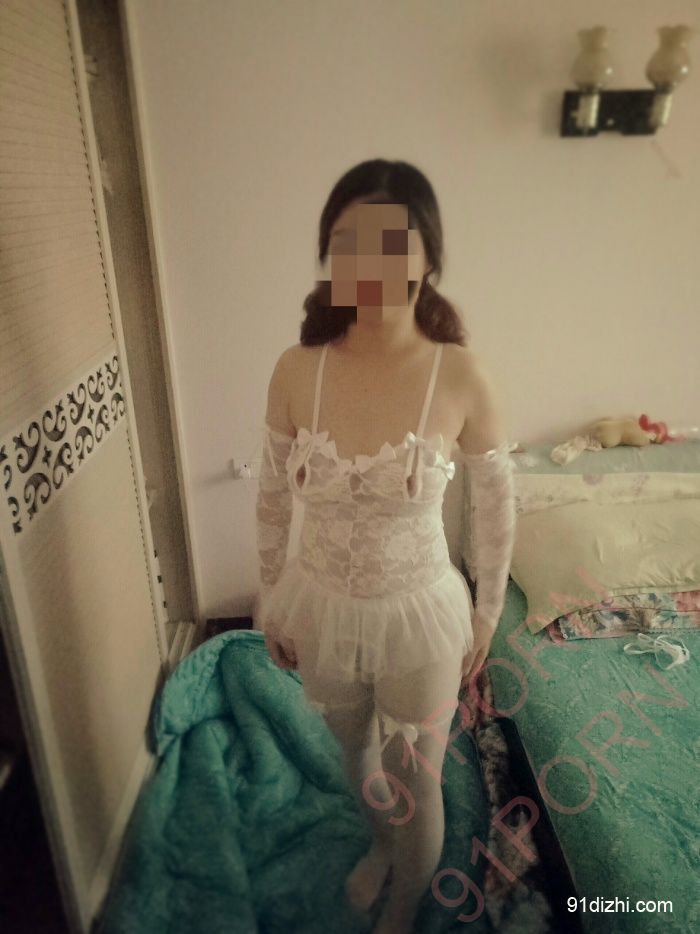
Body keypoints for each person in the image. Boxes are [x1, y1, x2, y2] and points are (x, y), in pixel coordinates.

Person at [255, 159, 516, 934]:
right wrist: (270, 599)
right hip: (323, 603)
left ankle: (405, 905)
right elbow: (271, 496)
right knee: (353, 754)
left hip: (418, 613)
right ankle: (381, 845)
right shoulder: (297, 369)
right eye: (347, 242)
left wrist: (488, 613)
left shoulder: (461, 374)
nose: (367, 263)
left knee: (417, 778)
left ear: (428, 254)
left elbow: (495, 508)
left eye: (390, 241)